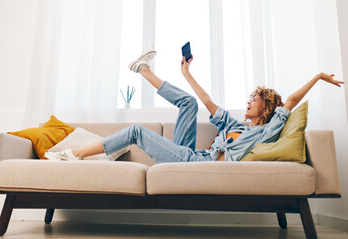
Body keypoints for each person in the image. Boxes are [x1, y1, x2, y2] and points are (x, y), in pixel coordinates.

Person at [45, 50, 344, 162]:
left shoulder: (266, 131)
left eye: (254, 100)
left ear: (266, 108)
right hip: (192, 153)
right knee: (188, 103)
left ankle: (73, 155)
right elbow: (207, 102)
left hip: (197, 163)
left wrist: (318, 77)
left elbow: (290, 101)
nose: (248, 102)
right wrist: (186, 74)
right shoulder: (236, 125)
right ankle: (143, 70)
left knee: (136, 130)